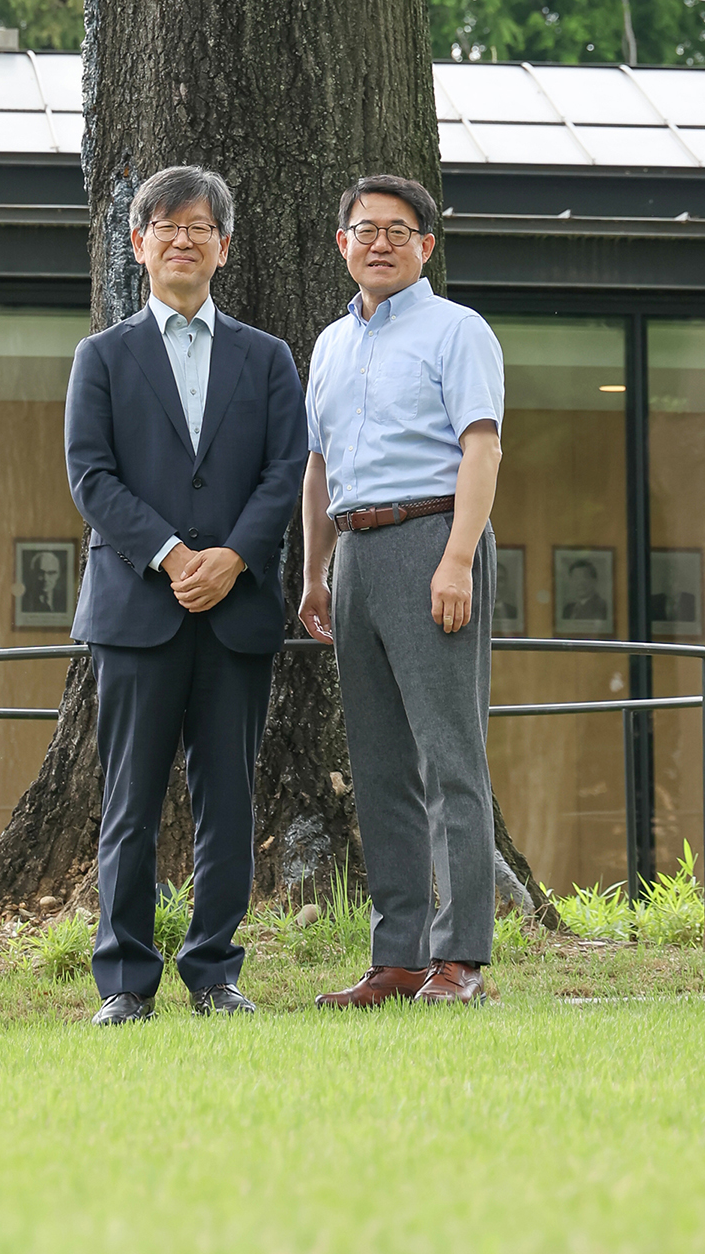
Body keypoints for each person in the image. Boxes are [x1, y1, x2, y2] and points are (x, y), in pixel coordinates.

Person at [66, 164, 306, 1026]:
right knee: (127, 801)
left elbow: (286, 473)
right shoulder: (102, 356)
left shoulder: (268, 358)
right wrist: (171, 555)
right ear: (137, 246)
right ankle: (126, 981)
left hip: (235, 613)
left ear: (223, 247)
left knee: (228, 803)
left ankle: (215, 973)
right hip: (137, 613)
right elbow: (90, 476)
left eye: (199, 226)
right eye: (163, 226)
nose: (181, 238)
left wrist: (235, 557)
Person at [300, 175, 505, 1008]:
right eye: (363, 228)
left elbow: (482, 450)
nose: (378, 241)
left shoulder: (459, 331)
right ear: (342, 243)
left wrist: (456, 560)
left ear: (425, 246)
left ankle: (461, 961)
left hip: (432, 539)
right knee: (380, 765)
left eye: (397, 229)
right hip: (355, 552)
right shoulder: (328, 346)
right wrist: (313, 570)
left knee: (450, 757)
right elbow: (316, 467)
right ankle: (398, 958)